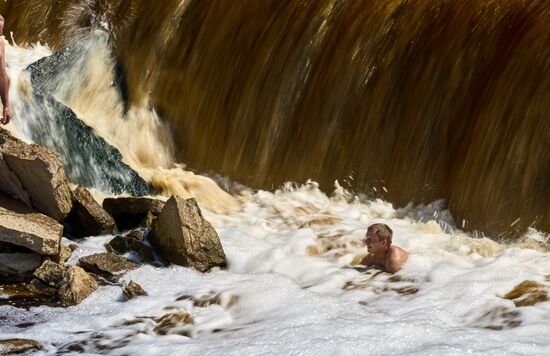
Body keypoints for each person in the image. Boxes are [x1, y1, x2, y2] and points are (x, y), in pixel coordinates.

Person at [0, 15, 11, 125]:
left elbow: (2, 75)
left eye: (2, 28)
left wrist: (6, 106)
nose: (1, 32)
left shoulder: (0, 43)